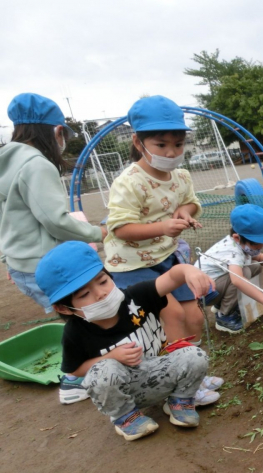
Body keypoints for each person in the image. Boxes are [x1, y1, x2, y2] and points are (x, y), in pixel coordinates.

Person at [35, 242, 216, 442]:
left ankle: (179, 400)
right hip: (125, 391)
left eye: (102, 281)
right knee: (101, 372)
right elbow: (76, 370)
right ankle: (126, 417)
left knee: (194, 354)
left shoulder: (135, 297)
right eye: (85, 294)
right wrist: (110, 357)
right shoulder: (75, 332)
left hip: (161, 372)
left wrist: (188, 271)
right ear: (64, 308)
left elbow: (171, 278)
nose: (101, 293)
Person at [102, 95, 205, 343]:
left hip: (167, 257)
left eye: (178, 145)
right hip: (133, 264)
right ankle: (180, 372)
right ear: (139, 142)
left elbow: (191, 202)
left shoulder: (181, 176)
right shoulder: (129, 182)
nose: (171, 152)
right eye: (161, 145)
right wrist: (164, 227)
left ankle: (193, 365)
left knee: (195, 317)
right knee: (173, 315)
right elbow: (120, 229)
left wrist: (185, 211)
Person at [0, 93, 105, 312]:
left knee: (72, 317)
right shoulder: (36, 164)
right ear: (58, 131)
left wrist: (8, 257)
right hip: (44, 265)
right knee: (88, 317)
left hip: (19, 265)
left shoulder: (6, 162)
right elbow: (56, 222)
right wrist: (98, 233)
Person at [196, 204, 263, 333]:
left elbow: (258, 258)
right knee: (242, 273)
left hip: (215, 284)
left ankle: (223, 304)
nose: (258, 250)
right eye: (256, 247)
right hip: (203, 293)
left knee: (253, 266)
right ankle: (224, 316)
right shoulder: (233, 251)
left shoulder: (241, 244)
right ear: (237, 238)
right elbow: (237, 280)